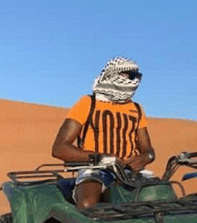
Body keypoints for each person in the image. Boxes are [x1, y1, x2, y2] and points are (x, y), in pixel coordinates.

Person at [51, 56, 155, 208]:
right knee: (88, 204)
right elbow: (60, 148)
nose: (132, 81)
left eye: (134, 76)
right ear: (111, 75)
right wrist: (101, 158)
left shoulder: (137, 109)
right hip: (95, 169)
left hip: (128, 172)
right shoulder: (88, 103)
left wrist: (146, 157)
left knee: (162, 198)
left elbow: (147, 148)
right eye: (127, 76)